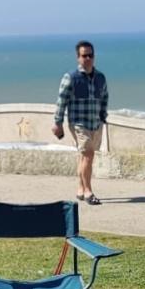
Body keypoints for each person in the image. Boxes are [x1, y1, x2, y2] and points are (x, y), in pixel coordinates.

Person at [52, 39, 109, 204]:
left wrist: (103, 115)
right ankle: (88, 192)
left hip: (95, 123)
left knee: (84, 157)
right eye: (85, 56)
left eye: (91, 55)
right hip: (78, 123)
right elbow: (61, 101)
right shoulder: (70, 77)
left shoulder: (100, 77)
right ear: (78, 57)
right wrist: (58, 122)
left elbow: (104, 96)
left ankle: (80, 188)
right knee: (88, 155)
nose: (88, 58)